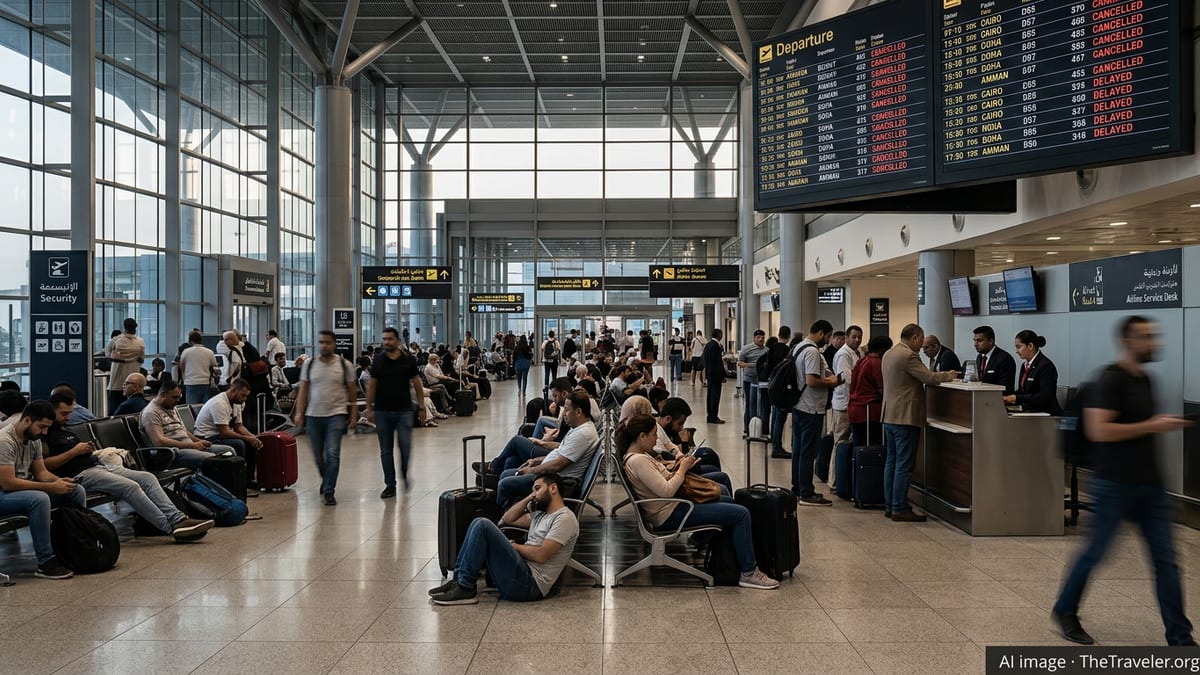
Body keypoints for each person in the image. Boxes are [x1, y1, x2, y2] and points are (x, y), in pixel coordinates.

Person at [1053, 316, 1196, 645]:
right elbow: (1099, 430)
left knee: (1167, 563)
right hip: (1113, 483)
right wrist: (1153, 425)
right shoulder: (1110, 380)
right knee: (1095, 553)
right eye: (1147, 337)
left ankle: (1181, 638)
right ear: (1129, 341)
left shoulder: (1146, 380)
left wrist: (1160, 425)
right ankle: (1065, 609)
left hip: (1150, 485)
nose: (1154, 343)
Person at [619, 414, 778, 590]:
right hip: (670, 513)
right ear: (641, 436)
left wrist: (680, 466)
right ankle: (749, 572)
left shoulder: (638, 456)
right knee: (741, 514)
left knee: (729, 502)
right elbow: (666, 490)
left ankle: (730, 561)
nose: (656, 438)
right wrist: (683, 468)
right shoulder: (638, 460)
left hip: (674, 505)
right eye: (653, 434)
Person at [42, 393, 213, 542]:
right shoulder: (43, 435)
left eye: (69, 413)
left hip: (99, 466)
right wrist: (75, 451)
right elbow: (45, 466)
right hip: (82, 475)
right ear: (51, 411)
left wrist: (88, 451)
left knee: (147, 477)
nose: (68, 418)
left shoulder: (65, 430)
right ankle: (170, 527)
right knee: (130, 487)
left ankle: (178, 518)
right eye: (63, 414)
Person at [429, 473, 579, 605]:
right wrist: (530, 496)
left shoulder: (564, 518)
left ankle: (465, 588)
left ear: (553, 489)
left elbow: (541, 555)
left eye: (537, 488)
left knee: (483, 525)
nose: (534, 494)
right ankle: (459, 581)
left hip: (531, 585)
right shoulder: (541, 515)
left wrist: (514, 547)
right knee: (478, 521)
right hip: (522, 570)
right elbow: (508, 519)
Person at [0, 401, 87, 579]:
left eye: (47, 428)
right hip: (4, 494)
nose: (44, 432)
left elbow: (41, 472)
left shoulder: (34, 439)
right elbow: (8, 483)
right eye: (41, 427)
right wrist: (50, 487)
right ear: (26, 421)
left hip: (21, 491)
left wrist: (60, 481)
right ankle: (45, 562)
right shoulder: (4, 441)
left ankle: (77, 547)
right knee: (39, 499)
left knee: (75, 490)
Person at [881, 324, 958, 522]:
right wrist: (949, 375)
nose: (922, 345)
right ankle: (899, 507)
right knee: (904, 465)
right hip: (905, 417)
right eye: (921, 340)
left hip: (889, 415)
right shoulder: (908, 356)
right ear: (915, 338)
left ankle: (890, 504)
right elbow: (929, 377)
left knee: (891, 462)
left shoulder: (890, 353)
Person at [496, 390, 598, 510]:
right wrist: (537, 460)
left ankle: (505, 520)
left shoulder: (583, 434)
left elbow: (558, 465)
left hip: (555, 481)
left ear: (579, 412)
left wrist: (532, 470)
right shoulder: (578, 428)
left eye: (566, 409)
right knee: (510, 464)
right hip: (551, 474)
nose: (564, 413)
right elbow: (562, 452)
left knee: (504, 484)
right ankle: (506, 508)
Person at [293, 330, 358, 506]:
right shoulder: (309, 364)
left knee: (332, 452)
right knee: (317, 455)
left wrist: (353, 414)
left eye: (328, 342)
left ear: (334, 344)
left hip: (336, 414)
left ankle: (329, 490)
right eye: (321, 342)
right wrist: (299, 412)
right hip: (313, 415)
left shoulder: (345, 365)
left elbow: (352, 391)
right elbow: (303, 389)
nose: (324, 345)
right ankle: (326, 478)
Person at [365, 327, 428, 497]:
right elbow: (372, 384)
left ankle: (404, 473)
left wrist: (421, 406)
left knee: (405, 446)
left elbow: (417, 383)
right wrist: (369, 407)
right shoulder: (378, 360)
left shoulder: (408, 360)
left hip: (404, 410)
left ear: (398, 341)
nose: (386, 342)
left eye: (390, 339)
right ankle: (390, 484)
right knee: (386, 450)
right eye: (384, 339)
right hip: (382, 411)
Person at [790, 321, 840, 506]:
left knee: (798, 450)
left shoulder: (799, 346)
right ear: (820, 333)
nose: (827, 341)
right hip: (811, 407)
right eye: (827, 336)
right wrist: (832, 383)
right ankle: (806, 492)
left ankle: (797, 488)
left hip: (799, 406)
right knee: (807, 452)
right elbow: (811, 380)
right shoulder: (811, 351)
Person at [140, 380, 236, 468]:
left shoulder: (171, 407)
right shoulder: (151, 412)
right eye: (175, 397)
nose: (178, 400)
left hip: (188, 446)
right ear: (163, 395)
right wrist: (192, 446)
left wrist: (199, 441)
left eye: (179, 397)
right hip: (173, 452)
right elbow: (159, 441)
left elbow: (183, 431)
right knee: (211, 459)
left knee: (228, 451)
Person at [194, 378, 263, 492]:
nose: (244, 399)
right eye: (242, 395)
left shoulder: (237, 403)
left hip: (219, 436)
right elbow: (224, 432)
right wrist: (248, 438)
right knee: (239, 444)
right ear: (233, 391)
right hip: (207, 438)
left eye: (246, 396)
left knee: (251, 444)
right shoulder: (219, 403)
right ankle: (237, 483)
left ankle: (247, 480)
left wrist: (253, 437)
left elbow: (238, 426)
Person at [827, 325, 863, 485]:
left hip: (854, 403)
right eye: (854, 337)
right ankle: (834, 480)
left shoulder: (859, 353)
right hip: (842, 404)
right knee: (840, 441)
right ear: (846, 338)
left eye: (859, 337)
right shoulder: (843, 354)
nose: (857, 340)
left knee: (849, 441)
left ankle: (845, 479)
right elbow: (847, 377)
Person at [1002, 330, 1062, 415]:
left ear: (1030, 346)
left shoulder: (1046, 366)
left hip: (1046, 414)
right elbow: (1022, 391)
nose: (1016, 351)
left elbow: (1044, 396)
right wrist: (1007, 398)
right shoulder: (1024, 366)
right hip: (1029, 410)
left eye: (1019, 347)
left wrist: (1016, 398)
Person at [848, 336, 891, 452]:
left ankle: (856, 469)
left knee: (858, 447)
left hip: (854, 408)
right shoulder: (876, 363)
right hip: (869, 411)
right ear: (883, 350)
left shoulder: (861, 361)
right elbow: (883, 390)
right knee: (872, 448)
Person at [764, 326, 793, 459]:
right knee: (780, 417)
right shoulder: (787, 351)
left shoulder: (772, 348)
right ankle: (777, 447)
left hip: (772, 384)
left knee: (775, 415)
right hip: (782, 387)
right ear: (788, 336)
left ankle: (774, 441)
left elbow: (768, 365)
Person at [107, 317, 146, 414]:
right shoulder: (140, 342)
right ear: (135, 328)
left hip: (116, 383)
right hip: (133, 384)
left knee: (114, 412)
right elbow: (141, 359)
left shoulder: (116, 340)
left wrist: (120, 358)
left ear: (124, 327)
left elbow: (108, 354)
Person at [737, 329, 768, 437]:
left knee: (763, 404)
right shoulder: (746, 349)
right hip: (749, 380)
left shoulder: (767, 350)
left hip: (762, 381)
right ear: (754, 338)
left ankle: (763, 429)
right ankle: (748, 428)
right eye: (758, 337)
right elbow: (740, 363)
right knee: (750, 403)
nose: (761, 339)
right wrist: (753, 365)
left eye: (763, 337)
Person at [972, 325, 1016, 394]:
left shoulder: (1005, 359)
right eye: (974, 340)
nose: (975, 344)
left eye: (979, 341)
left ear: (990, 341)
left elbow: (1005, 388)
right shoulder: (979, 357)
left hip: (998, 400)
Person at [178, 330, 218, 404]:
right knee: (205, 407)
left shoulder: (186, 352)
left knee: (192, 408)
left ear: (190, 341)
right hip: (205, 382)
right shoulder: (209, 352)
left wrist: (185, 378)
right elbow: (214, 366)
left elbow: (181, 367)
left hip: (190, 382)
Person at [702, 329, 727, 424]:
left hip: (710, 375)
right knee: (715, 397)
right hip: (716, 375)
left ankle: (710, 416)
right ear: (719, 335)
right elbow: (718, 363)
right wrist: (723, 375)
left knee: (710, 396)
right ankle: (714, 417)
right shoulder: (715, 346)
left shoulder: (708, 345)